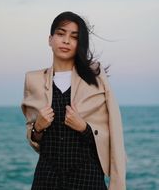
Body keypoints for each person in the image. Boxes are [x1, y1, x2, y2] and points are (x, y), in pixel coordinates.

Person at [21, 11, 126, 190]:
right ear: (50, 39)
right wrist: (37, 127)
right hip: (46, 180)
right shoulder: (34, 80)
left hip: (88, 179)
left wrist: (84, 128)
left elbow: (112, 136)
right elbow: (36, 141)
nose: (66, 41)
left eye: (74, 37)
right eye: (61, 34)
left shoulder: (95, 78)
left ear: (80, 44)